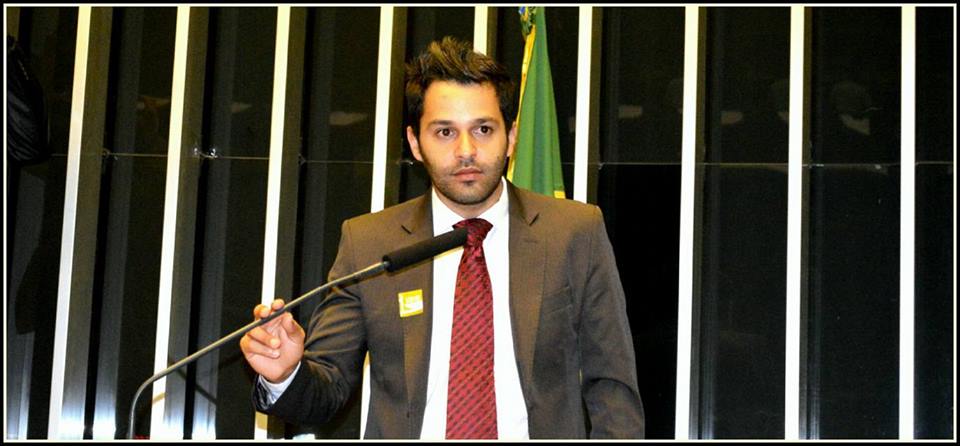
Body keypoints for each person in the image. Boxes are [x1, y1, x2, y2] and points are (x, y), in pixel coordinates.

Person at [240, 36, 645, 440]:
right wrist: (285, 373)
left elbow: (614, 389)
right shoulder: (370, 243)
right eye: (445, 132)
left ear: (511, 136)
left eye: (483, 129)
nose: (467, 150)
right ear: (415, 143)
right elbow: (326, 392)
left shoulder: (573, 232)